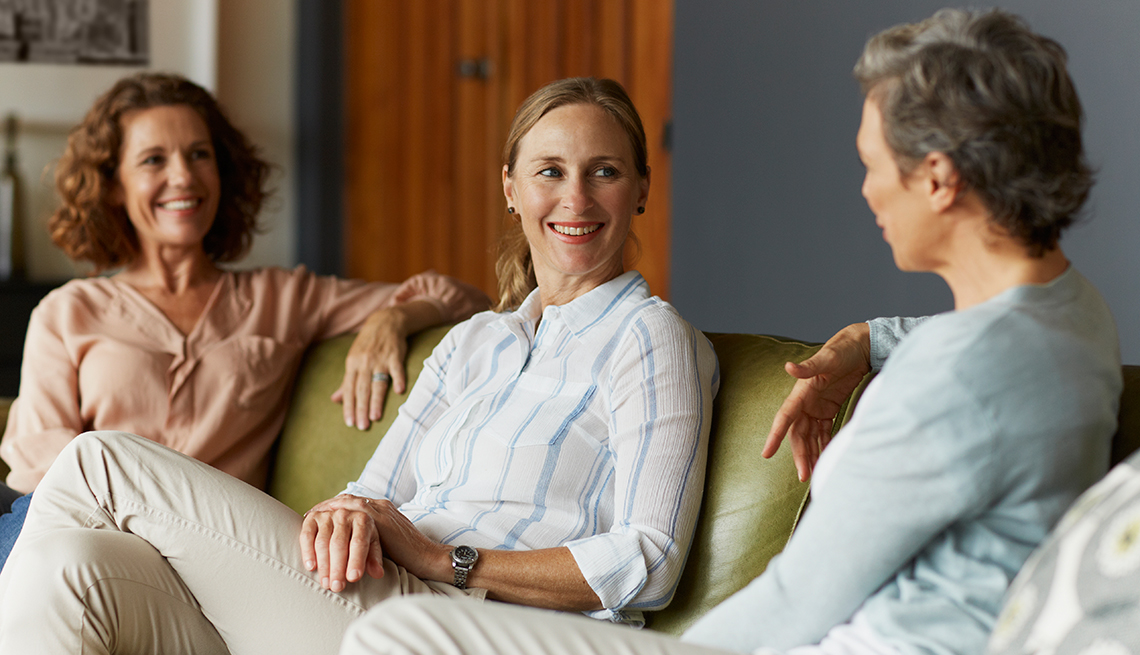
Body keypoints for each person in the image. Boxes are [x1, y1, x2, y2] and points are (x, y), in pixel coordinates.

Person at [328, 9, 1123, 655]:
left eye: (874, 162)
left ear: (940, 180)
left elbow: (790, 605)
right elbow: (993, 340)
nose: (867, 188)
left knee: (400, 632)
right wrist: (869, 339)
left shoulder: (948, 383)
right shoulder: (1071, 314)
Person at [0, 76, 718, 654]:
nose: (576, 197)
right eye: (550, 171)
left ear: (643, 189)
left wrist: (449, 559)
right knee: (62, 569)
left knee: (98, 463)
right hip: (362, 594)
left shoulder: (650, 337)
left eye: (605, 172)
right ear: (511, 188)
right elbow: (370, 491)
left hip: (461, 619)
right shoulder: (476, 342)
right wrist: (346, 514)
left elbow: (649, 561)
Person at [0, 73, 489, 563]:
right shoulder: (68, 311)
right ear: (113, 188)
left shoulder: (282, 298)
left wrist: (393, 320)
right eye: (154, 160)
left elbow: (460, 297)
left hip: (209, 553)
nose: (184, 177)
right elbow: (42, 460)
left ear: (223, 173)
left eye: (199, 155)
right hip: (80, 531)